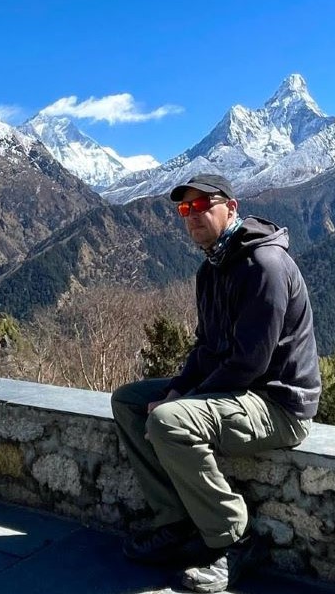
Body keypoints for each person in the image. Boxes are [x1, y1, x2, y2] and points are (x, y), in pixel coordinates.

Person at [111, 173, 321, 594]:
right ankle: (177, 521)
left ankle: (233, 539)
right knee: (128, 402)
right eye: (185, 209)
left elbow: (250, 362)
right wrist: (175, 390)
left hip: (277, 403)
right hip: (236, 393)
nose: (193, 216)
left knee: (170, 422)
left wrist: (181, 401)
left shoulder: (265, 266)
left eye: (203, 205)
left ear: (232, 207)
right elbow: (206, 349)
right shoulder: (210, 271)